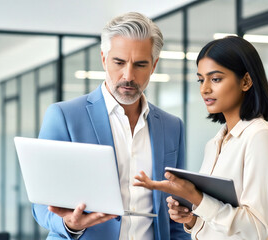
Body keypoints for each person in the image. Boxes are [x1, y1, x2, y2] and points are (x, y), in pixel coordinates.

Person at [33, 12, 190, 240]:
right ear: (104, 59)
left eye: (140, 64)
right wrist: (69, 224)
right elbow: (41, 204)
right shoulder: (64, 116)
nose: (128, 75)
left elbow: (176, 212)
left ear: (154, 65)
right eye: (119, 62)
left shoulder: (172, 126)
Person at [134, 36, 268, 240]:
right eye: (201, 79)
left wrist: (196, 198)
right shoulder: (215, 143)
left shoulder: (260, 137)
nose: (204, 89)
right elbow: (217, 227)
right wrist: (190, 219)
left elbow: (257, 229)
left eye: (215, 79)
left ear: (246, 81)